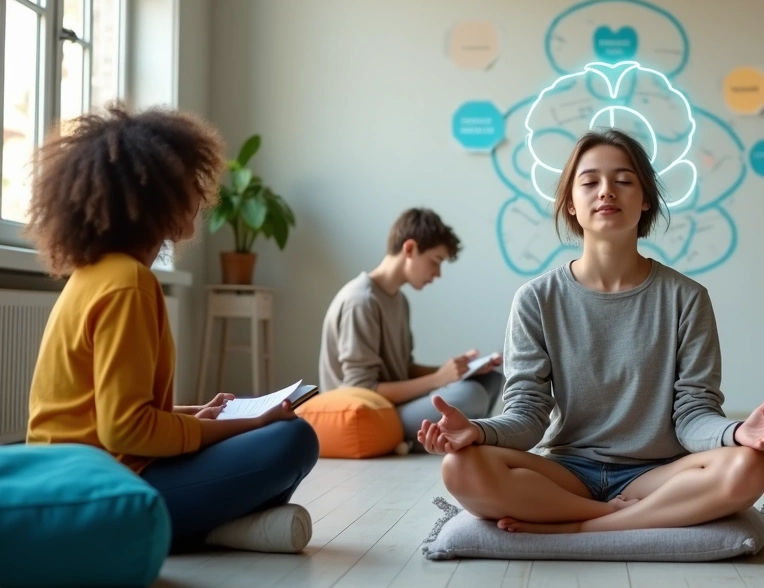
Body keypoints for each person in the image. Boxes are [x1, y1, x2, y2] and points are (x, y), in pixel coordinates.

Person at [415, 128, 764, 534]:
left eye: (624, 181)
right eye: (589, 182)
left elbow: (693, 414)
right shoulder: (535, 299)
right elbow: (527, 415)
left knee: (750, 465)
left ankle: (580, 527)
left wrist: (737, 432)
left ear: (646, 199)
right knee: (460, 467)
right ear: (571, 203)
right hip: (566, 472)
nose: (606, 191)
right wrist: (477, 430)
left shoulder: (687, 298)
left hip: (657, 474)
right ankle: (621, 518)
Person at [25, 104, 319, 553]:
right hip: (101, 492)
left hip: (74, 480)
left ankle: (217, 529)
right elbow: (126, 432)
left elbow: (108, 415)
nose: (201, 194)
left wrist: (193, 416)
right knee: (292, 439)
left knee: (263, 431)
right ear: (154, 195)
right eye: (190, 183)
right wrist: (250, 423)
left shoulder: (96, 275)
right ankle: (200, 530)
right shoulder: (128, 283)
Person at [318, 208, 504, 450]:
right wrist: (438, 379)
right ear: (409, 249)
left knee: (491, 379)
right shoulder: (361, 301)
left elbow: (403, 369)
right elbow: (360, 389)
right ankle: (429, 440)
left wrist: (459, 370)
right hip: (372, 412)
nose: (437, 274)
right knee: (471, 396)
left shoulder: (399, 301)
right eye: (435, 261)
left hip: (392, 405)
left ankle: (443, 439)